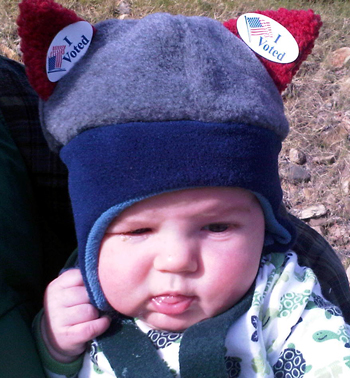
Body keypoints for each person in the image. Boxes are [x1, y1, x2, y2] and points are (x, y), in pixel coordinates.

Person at [16, 0, 350, 377]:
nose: (176, 260)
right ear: (91, 240)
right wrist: (56, 349)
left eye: (217, 227)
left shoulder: (282, 301)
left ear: (266, 227)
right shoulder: (80, 303)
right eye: (139, 230)